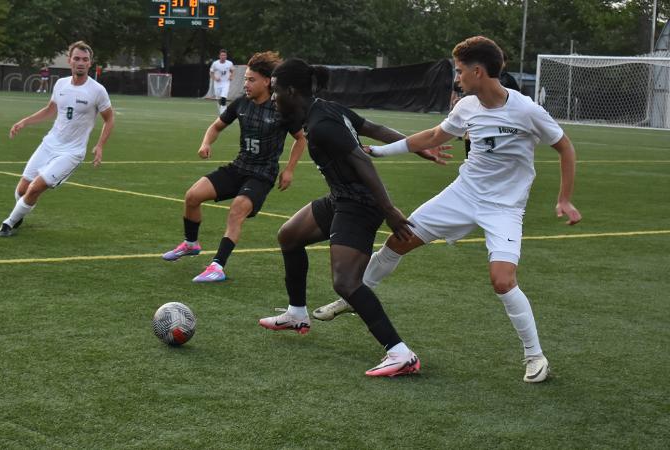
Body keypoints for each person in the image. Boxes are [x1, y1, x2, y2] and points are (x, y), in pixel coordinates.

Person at [312, 36, 582, 383]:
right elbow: (434, 135)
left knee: (502, 281)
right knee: (400, 239)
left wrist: (564, 198)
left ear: (478, 71)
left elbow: (566, 148)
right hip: (462, 195)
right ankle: (356, 293)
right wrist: (379, 152)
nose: (457, 78)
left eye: (459, 71)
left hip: (504, 208)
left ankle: (535, 356)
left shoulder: (527, 110)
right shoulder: (467, 107)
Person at [257, 58, 451, 377]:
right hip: (341, 197)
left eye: (276, 91)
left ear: (291, 91)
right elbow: (373, 128)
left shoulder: (322, 125)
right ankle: (296, 314)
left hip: (360, 203)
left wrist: (389, 210)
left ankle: (399, 352)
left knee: (345, 282)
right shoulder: (324, 109)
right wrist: (417, 148)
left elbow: (362, 160)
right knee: (289, 236)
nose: (273, 97)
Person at [162, 51, 307, 283]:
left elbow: (301, 138)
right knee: (192, 196)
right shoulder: (241, 104)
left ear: (267, 82)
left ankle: (217, 266)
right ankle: (191, 244)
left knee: (237, 209)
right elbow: (216, 126)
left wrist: (289, 169)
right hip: (239, 167)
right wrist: (205, 143)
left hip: (262, 174)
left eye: (251, 79)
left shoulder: (281, 107)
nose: (246, 84)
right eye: (245, 79)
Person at [0, 41, 114, 237]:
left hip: (71, 153)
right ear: (69, 60)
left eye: (85, 60)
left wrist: (100, 145)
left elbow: (109, 119)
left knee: (35, 188)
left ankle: (8, 224)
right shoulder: (60, 84)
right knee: (22, 189)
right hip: (49, 144)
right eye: (76, 58)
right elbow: (50, 110)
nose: (80, 63)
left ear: (90, 63)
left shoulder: (97, 91)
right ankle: (19, 214)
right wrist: (25, 122)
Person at [209, 49, 235, 114]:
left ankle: (223, 114)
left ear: (226, 56)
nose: (223, 56)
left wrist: (231, 76)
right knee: (218, 99)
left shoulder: (229, 63)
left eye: (224, 55)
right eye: (222, 55)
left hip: (226, 83)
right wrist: (215, 78)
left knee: (223, 97)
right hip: (217, 84)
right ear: (219, 56)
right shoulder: (215, 63)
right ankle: (222, 110)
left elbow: (232, 70)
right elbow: (211, 72)